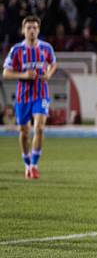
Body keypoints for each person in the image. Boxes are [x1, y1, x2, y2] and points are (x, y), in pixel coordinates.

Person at [3, 16, 57, 180]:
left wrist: (48, 74)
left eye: (34, 27)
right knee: (24, 132)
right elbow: (5, 73)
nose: (32, 30)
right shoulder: (17, 50)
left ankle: (34, 165)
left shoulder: (46, 48)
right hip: (23, 96)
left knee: (39, 128)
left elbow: (53, 63)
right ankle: (26, 165)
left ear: (38, 30)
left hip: (41, 94)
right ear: (23, 30)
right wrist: (23, 74)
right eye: (28, 28)